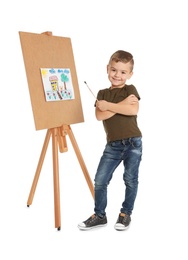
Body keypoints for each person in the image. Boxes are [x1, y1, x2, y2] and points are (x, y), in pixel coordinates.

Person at [78, 50, 142, 231]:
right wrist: (119, 105)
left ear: (130, 74)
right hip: (112, 145)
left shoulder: (131, 90)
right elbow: (100, 115)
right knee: (100, 180)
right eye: (114, 70)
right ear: (107, 69)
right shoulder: (101, 93)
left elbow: (133, 110)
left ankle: (125, 213)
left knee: (130, 179)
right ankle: (100, 215)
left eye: (123, 72)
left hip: (133, 142)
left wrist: (109, 107)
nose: (117, 75)